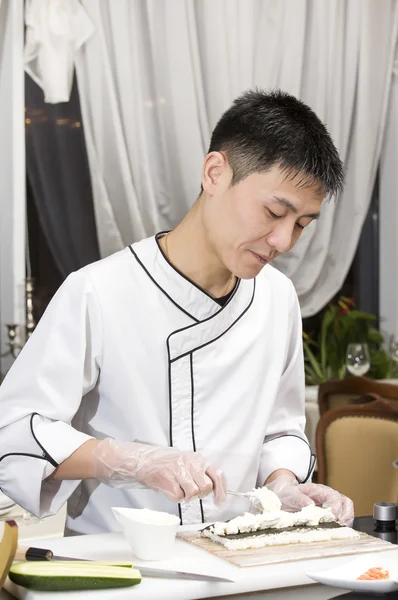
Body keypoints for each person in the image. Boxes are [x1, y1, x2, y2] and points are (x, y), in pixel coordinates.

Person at [0, 89, 354, 535]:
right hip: (121, 563)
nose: (284, 241)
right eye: (274, 212)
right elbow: (14, 433)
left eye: (301, 224)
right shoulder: (98, 292)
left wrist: (283, 486)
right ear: (215, 173)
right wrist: (127, 460)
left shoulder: (277, 297)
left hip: (239, 557)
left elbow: (280, 431)